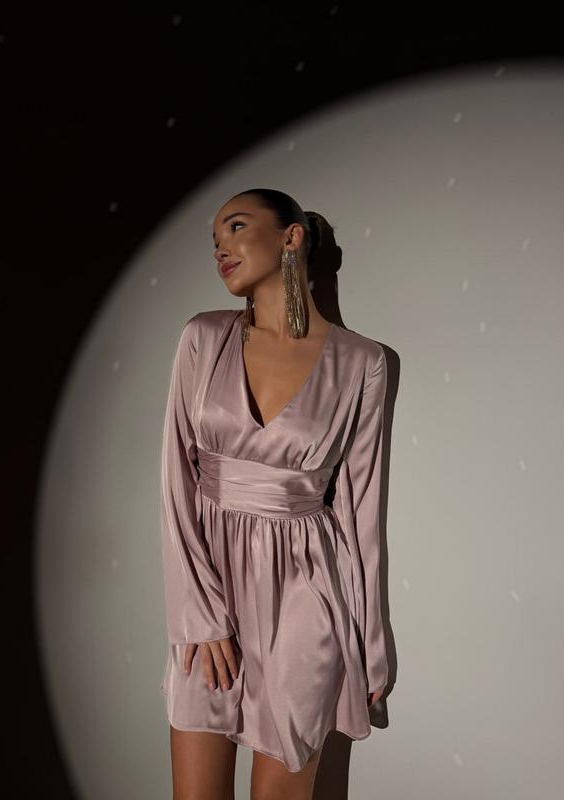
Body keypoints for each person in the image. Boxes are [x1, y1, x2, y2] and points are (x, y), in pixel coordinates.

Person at [159, 188, 389, 799]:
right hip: (210, 592)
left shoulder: (363, 363)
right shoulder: (203, 338)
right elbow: (175, 482)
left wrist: (372, 645)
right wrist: (197, 613)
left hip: (305, 600)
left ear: (291, 237)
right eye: (214, 239)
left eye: (235, 227)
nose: (220, 248)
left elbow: (362, 512)